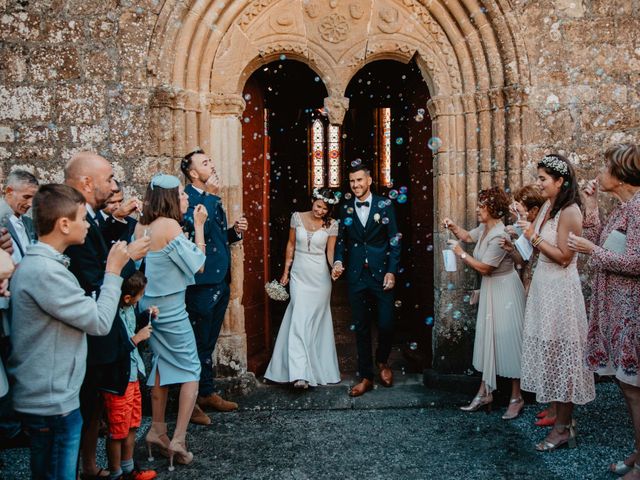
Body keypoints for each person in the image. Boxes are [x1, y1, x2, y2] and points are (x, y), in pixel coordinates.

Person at [8, 184, 130, 480]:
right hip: (52, 404)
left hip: (52, 397)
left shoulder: (42, 267)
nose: (88, 224)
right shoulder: (46, 273)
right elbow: (99, 322)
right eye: (81, 218)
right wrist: (113, 272)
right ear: (64, 224)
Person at [64, 151, 150, 480]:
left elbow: (104, 246)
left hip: (102, 330)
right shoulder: (75, 221)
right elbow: (96, 276)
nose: (115, 185)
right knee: (85, 410)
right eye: (109, 178)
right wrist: (129, 257)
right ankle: (80, 470)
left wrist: (120, 226)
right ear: (87, 183)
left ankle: (89, 467)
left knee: (93, 409)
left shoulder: (92, 218)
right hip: (92, 334)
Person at [567, 144, 640, 476]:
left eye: (606, 166)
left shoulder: (638, 210)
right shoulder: (622, 209)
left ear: (621, 173)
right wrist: (593, 205)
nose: (601, 171)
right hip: (614, 308)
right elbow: (595, 240)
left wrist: (592, 248)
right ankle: (637, 454)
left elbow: (637, 262)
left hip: (631, 311)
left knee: (634, 390)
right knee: (629, 389)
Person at [519, 154, 595, 452]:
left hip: (561, 291)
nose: (538, 183)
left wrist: (534, 238)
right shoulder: (550, 207)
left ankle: (563, 428)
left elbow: (565, 257)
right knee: (550, 354)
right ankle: (558, 416)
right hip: (544, 287)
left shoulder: (570, 212)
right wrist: (526, 229)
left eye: (543, 179)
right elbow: (535, 240)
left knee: (563, 357)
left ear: (560, 181)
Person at [134, 174, 207, 471]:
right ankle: (178, 439)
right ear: (169, 198)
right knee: (191, 369)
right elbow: (198, 265)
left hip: (150, 308)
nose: (186, 197)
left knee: (162, 365)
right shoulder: (169, 225)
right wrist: (199, 227)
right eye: (181, 193)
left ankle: (157, 429)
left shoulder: (142, 225)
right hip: (173, 309)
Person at [444, 187, 527, 419]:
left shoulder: (500, 235)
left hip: (506, 290)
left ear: (493, 209)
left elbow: (486, 268)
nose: (478, 209)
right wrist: (452, 226)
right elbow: (468, 236)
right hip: (491, 289)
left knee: (509, 342)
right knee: (488, 338)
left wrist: (460, 254)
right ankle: (485, 392)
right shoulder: (485, 228)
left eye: (482, 206)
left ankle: (516, 397)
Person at [180, 149, 248, 421]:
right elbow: (197, 231)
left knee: (208, 342)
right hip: (201, 283)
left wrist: (235, 232)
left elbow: (216, 236)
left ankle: (206, 392)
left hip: (219, 281)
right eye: (206, 163)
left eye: (211, 159)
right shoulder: (188, 198)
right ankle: (190, 401)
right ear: (193, 173)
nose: (213, 164)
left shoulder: (210, 198)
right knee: (196, 343)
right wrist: (211, 196)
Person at [331, 164, 401, 397]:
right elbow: (341, 240)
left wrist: (392, 271)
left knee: (386, 322)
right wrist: (339, 262)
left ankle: (382, 361)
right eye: (352, 181)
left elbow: (394, 240)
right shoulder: (346, 208)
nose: (356, 185)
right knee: (360, 327)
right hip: (356, 275)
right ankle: (366, 376)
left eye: (360, 180)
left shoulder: (385, 204)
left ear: (369, 180)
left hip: (382, 274)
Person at [264, 188, 341, 388]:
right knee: (298, 319)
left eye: (325, 209)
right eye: (318, 206)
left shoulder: (332, 225)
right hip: (299, 274)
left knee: (315, 323)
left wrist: (335, 267)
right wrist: (286, 272)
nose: (320, 211)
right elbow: (290, 245)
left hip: (320, 278)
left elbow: (330, 252)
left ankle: (315, 367)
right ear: (313, 201)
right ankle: (299, 373)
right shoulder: (296, 217)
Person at [99, 271, 156, 480]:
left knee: (132, 424)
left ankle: (129, 468)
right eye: (140, 296)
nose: (140, 299)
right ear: (127, 298)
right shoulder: (111, 318)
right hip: (117, 381)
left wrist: (147, 315)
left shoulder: (129, 309)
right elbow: (113, 349)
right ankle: (116, 473)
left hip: (132, 375)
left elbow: (133, 327)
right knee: (117, 431)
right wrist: (138, 339)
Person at [0, 169, 38, 446]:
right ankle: (11, 428)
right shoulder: (1, 218)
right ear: (8, 191)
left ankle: (19, 423)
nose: (29, 203)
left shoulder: (24, 221)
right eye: (26, 197)